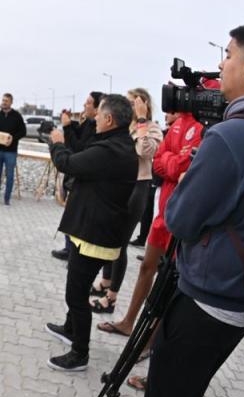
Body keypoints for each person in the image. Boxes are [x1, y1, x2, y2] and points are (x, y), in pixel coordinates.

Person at [75, 23, 244, 397]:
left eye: (228, 56)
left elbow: (182, 218)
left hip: (210, 292)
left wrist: (187, 173)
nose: (220, 66)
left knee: (169, 386)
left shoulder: (233, 136)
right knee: (187, 384)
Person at [44, 94, 138, 371]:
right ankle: (70, 328)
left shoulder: (112, 150)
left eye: (98, 114)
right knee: (79, 287)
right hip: (89, 230)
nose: (94, 117)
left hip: (94, 237)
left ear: (109, 119)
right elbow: (82, 157)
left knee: (75, 295)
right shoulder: (115, 144)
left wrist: (58, 143)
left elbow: (68, 163)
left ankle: (79, 353)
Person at [94, 109, 203, 339]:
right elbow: (159, 166)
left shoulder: (199, 126)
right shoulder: (176, 125)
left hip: (181, 214)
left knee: (167, 279)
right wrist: (171, 163)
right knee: (147, 267)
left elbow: (178, 165)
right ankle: (128, 322)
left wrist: (169, 161)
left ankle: (151, 341)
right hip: (163, 212)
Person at [90, 89, 164, 316]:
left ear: (143, 105)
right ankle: (105, 281)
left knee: (120, 244)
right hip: (118, 185)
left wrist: (141, 120)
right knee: (109, 236)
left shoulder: (150, 128)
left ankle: (111, 298)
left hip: (137, 186)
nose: (129, 106)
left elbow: (144, 150)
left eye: (133, 103)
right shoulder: (125, 127)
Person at [52, 92, 103, 259]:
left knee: (76, 216)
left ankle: (73, 252)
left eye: (88, 103)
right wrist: (69, 123)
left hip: (81, 177)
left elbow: (79, 148)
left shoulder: (97, 128)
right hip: (74, 176)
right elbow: (78, 134)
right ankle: (69, 248)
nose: (84, 106)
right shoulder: (88, 122)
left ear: (97, 108)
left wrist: (66, 128)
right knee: (70, 213)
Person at [0, 93, 27, 205]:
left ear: (11, 102)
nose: (4, 102)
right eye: (3, 100)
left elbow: (23, 132)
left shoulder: (17, 116)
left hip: (11, 151)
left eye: (6, 101)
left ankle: (7, 198)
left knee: (10, 175)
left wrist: (13, 138)